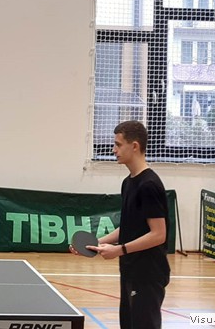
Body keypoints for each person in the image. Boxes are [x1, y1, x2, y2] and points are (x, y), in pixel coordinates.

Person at [72, 120, 170, 329]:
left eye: (118, 144)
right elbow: (129, 226)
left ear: (134, 146)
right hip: (129, 269)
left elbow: (158, 234)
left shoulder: (149, 185)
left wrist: (119, 250)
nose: (113, 150)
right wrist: (95, 243)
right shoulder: (128, 182)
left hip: (148, 273)